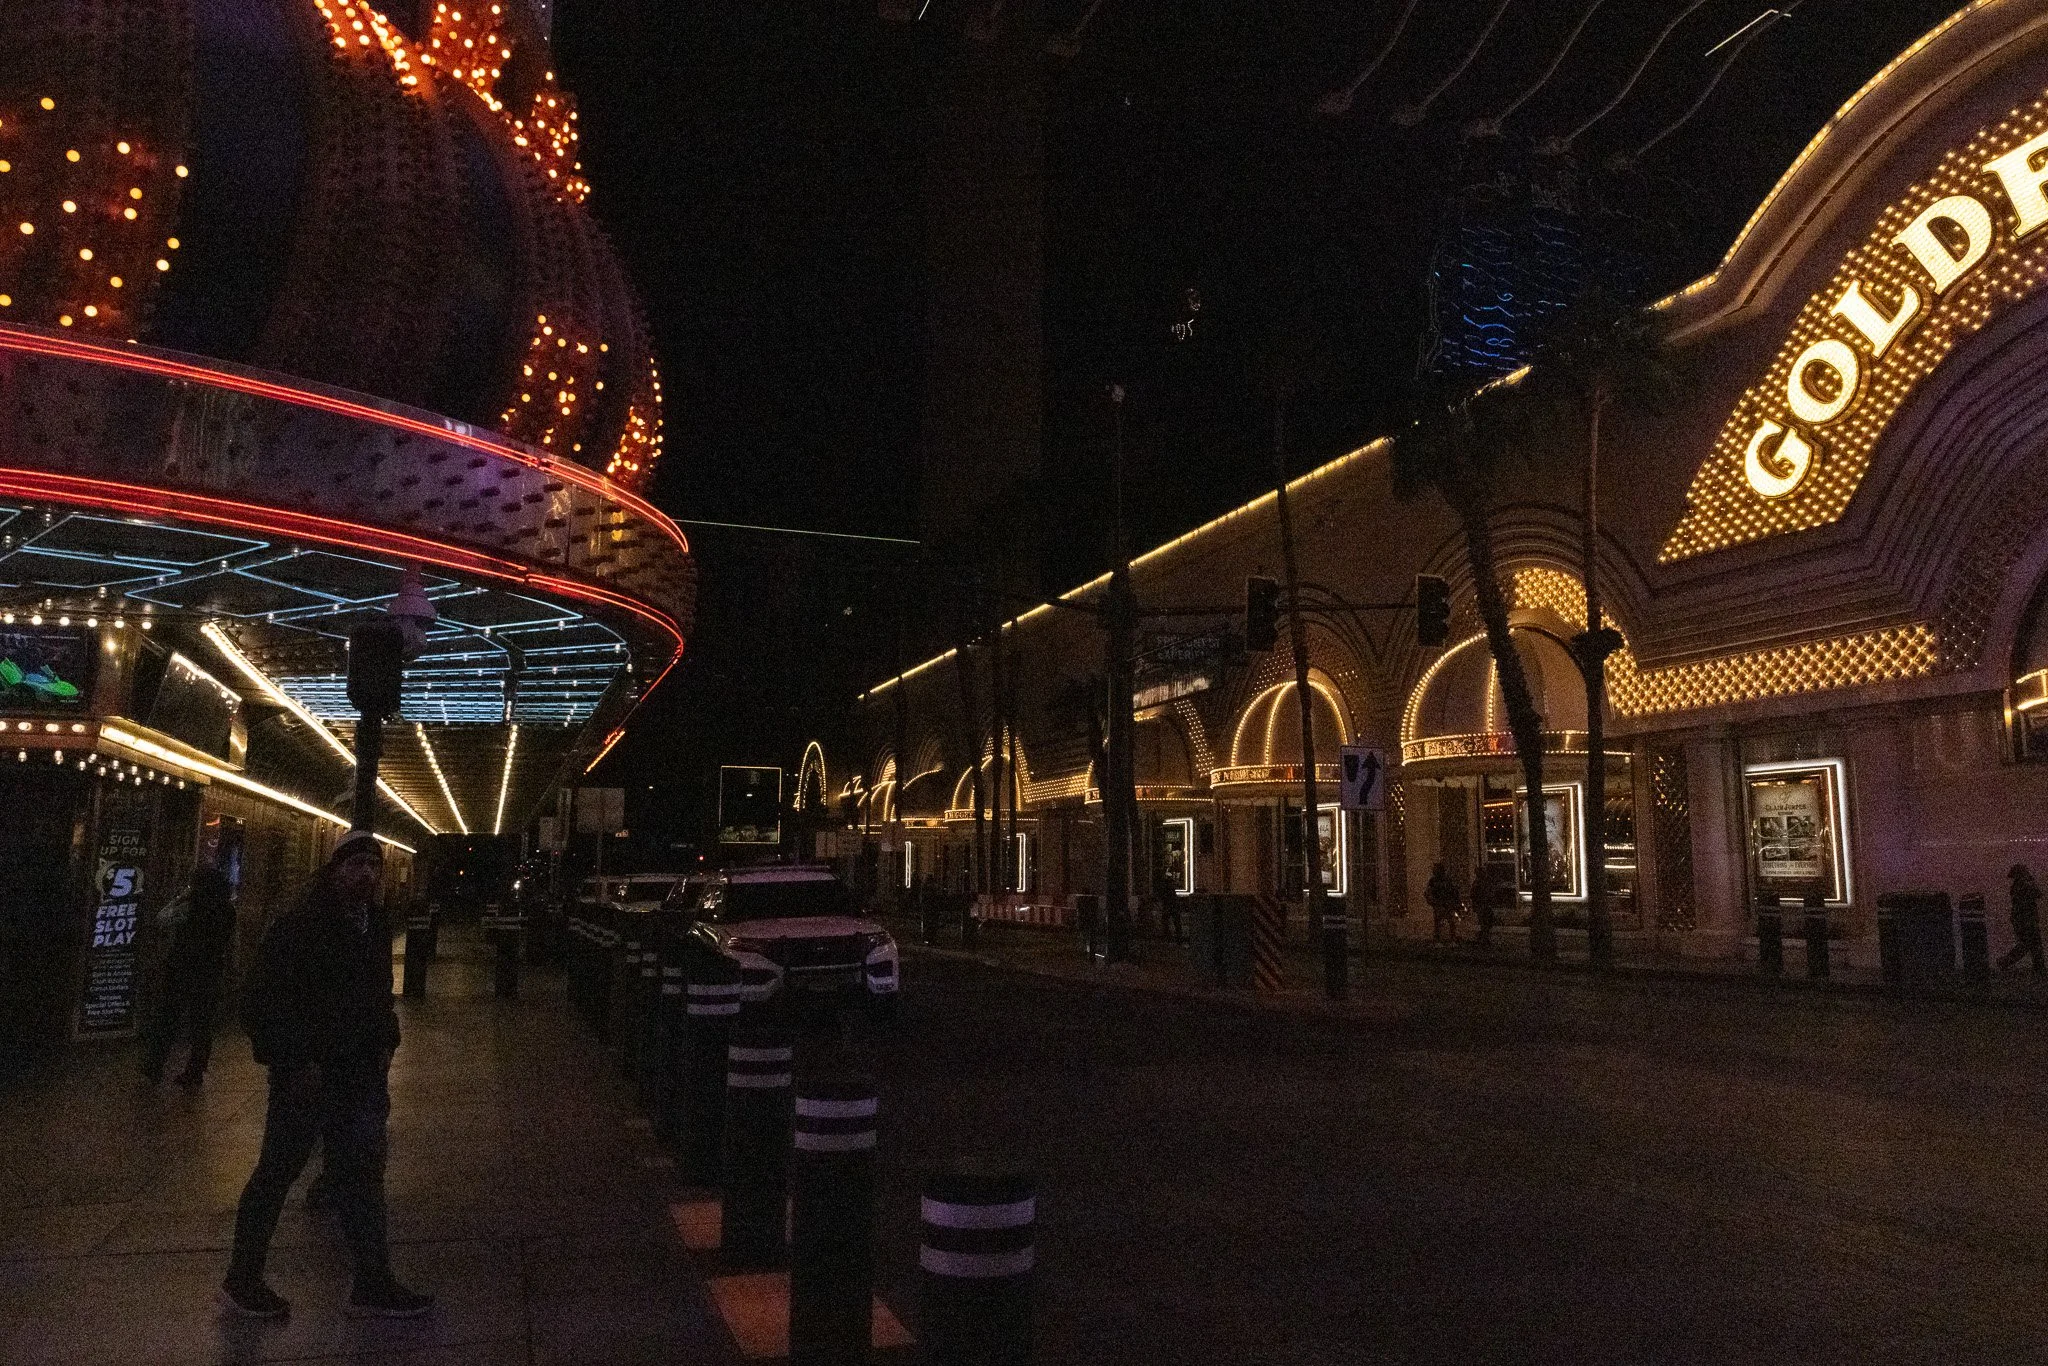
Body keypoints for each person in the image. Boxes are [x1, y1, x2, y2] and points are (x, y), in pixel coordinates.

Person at [221, 829, 431, 1320]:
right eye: (356, 865)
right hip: (309, 1077)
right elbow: (261, 1002)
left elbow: (377, 993)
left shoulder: (372, 925)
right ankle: (242, 1278)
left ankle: (373, 1281)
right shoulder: (300, 926)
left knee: (361, 1176)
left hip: (359, 1073)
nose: (367, 874)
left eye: (374, 866)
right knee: (279, 1171)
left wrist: (386, 1039)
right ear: (334, 870)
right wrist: (295, 1062)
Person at [142, 861, 236, 1086]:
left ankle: (155, 1065)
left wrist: (179, 898)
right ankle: (195, 1070)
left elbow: (162, 919)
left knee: (168, 1017)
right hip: (210, 971)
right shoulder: (227, 910)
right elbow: (232, 942)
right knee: (201, 1023)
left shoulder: (191, 907)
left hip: (182, 968)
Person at [1999, 862, 2045, 973]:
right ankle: (2005, 962)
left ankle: (2039, 967)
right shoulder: (2024, 884)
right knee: (2029, 944)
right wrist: (2031, 880)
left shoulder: (2018, 885)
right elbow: (2038, 893)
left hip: (2023, 919)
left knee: (2032, 944)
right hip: (2026, 920)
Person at [1425, 862, 1462, 944]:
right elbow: (1428, 892)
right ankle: (1439, 940)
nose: (1434, 871)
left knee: (1450, 922)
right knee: (1439, 923)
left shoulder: (1446, 880)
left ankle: (1452, 939)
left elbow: (1454, 891)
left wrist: (1455, 902)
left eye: (1436, 869)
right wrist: (1432, 901)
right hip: (1439, 904)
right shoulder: (1433, 881)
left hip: (1447, 903)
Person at [1470, 862, 1499, 949]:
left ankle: (1483, 938)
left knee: (1487, 922)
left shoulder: (1484, 882)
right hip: (1482, 905)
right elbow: (1473, 894)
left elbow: (1489, 892)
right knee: (1484, 922)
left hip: (1484, 905)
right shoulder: (1479, 883)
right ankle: (1484, 939)